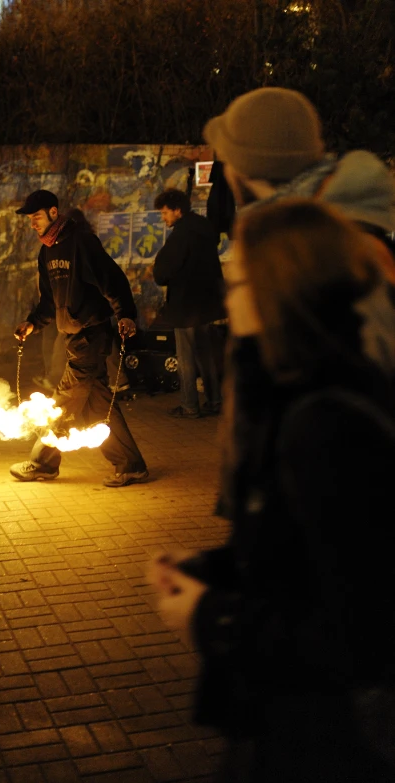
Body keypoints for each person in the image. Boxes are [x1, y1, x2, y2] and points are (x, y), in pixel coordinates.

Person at [149, 199, 395, 782]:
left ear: (278, 288)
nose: (228, 296)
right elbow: (306, 546)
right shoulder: (294, 388)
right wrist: (214, 568)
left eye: (238, 280)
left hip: (325, 742)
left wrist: (210, 617)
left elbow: (354, 629)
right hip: (288, 724)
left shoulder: (324, 420)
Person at [202, 86, 395, 516]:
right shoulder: (320, 232)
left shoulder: (315, 251)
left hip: (328, 508)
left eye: (228, 156)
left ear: (246, 166)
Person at [10, 190, 148, 487]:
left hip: (92, 334)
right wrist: (33, 323)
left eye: (36, 217)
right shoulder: (46, 251)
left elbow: (113, 280)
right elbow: (49, 300)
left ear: (53, 213)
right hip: (72, 336)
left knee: (64, 400)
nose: (32, 224)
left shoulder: (81, 243)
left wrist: (125, 314)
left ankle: (42, 463)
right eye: (30, 219)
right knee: (99, 406)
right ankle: (131, 465)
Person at [153, 188, 225, 419]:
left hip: (185, 305)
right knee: (206, 355)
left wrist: (158, 272)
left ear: (177, 210)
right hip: (206, 304)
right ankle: (215, 401)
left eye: (165, 213)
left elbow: (164, 270)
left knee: (185, 358)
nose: (163, 218)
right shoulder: (204, 229)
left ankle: (189, 405)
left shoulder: (182, 234)